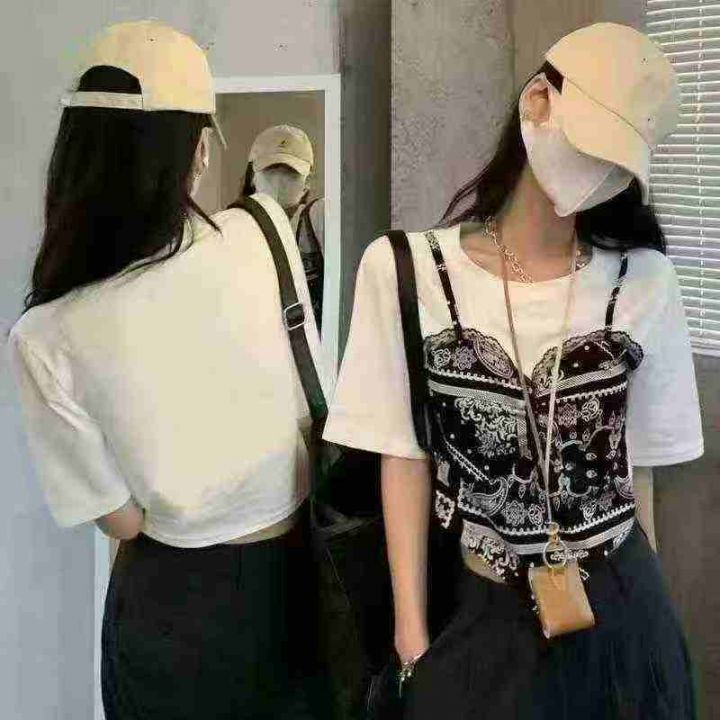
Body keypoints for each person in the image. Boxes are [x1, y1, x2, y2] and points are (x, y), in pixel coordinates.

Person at [324, 22, 703, 719]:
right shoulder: (407, 270)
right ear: (537, 103)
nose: (600, 173)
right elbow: (402, 455)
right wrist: (411, 641)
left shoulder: (644, 280)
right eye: (592, 145)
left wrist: (651, 626)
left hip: (621, 607)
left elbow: (637, 470)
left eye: (619, 164)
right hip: (480, 613)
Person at [7, 20, 328, 720]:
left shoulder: (45, 333)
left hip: (171, 610)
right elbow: (311, 406)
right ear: (201, 150)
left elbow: (123, 522)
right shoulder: (265, 232)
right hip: (305, 584)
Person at [240, 125, 325, 329]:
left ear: (307, 182)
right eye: (271, 170)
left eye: (290, 173)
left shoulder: (318, 217)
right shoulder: (237, 228)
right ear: (253, 176)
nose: (279, 180)